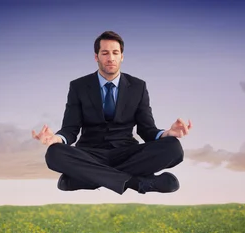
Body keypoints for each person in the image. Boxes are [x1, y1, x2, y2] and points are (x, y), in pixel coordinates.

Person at [32, 30, 192, 195]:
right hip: (90, 153)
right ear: (96, 57)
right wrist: (56, 138)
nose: (111, 58)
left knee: (173, 148)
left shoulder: (138, 86)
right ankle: (135, 182)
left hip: (126, 153)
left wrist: (167, 133)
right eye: (105, 53)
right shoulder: (78, 86)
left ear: (122, 56)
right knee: (54, 153)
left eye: (115, 53)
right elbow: (70, 130)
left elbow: (147, 130)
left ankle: (81, 179)